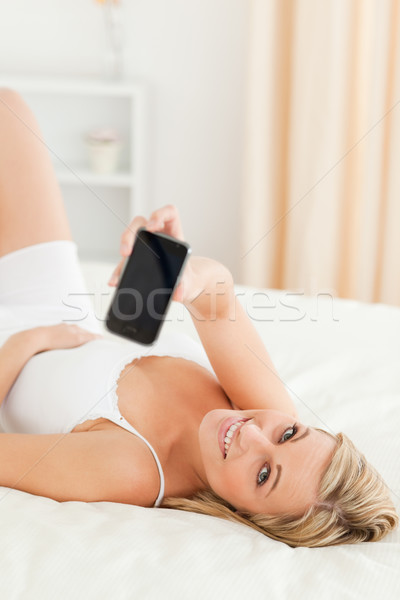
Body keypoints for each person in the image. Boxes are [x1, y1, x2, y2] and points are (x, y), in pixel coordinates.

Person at [0, 89, 397, 548]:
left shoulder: (133, 471)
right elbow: (218, 302)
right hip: (55, 305)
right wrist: (181, 272)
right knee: (11, 112)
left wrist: (26, 345)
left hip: (15, 344)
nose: (252, 434)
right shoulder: (264, 411)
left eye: (264, 475)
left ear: (249, 517)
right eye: (290, 433)